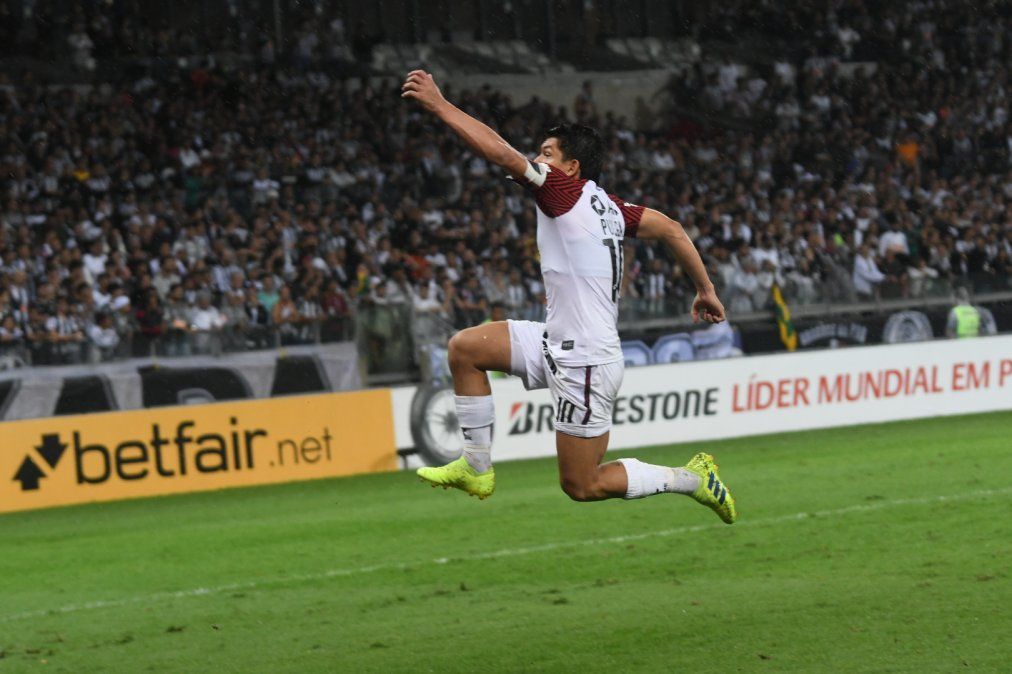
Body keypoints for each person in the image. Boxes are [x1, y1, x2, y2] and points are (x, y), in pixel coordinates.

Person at [403, 70, 736, 523]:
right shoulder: (612, 207)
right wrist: (705, 290)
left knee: (582, 484)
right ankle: (476, 466)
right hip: (556, 340)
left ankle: (692, 479)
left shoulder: (561, 190)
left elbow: (501, 153)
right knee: (466, 349)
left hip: (586, 360)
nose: (537, 160)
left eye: (547, 153)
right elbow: (672, 229)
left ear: (572, 167)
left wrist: (440, 106)